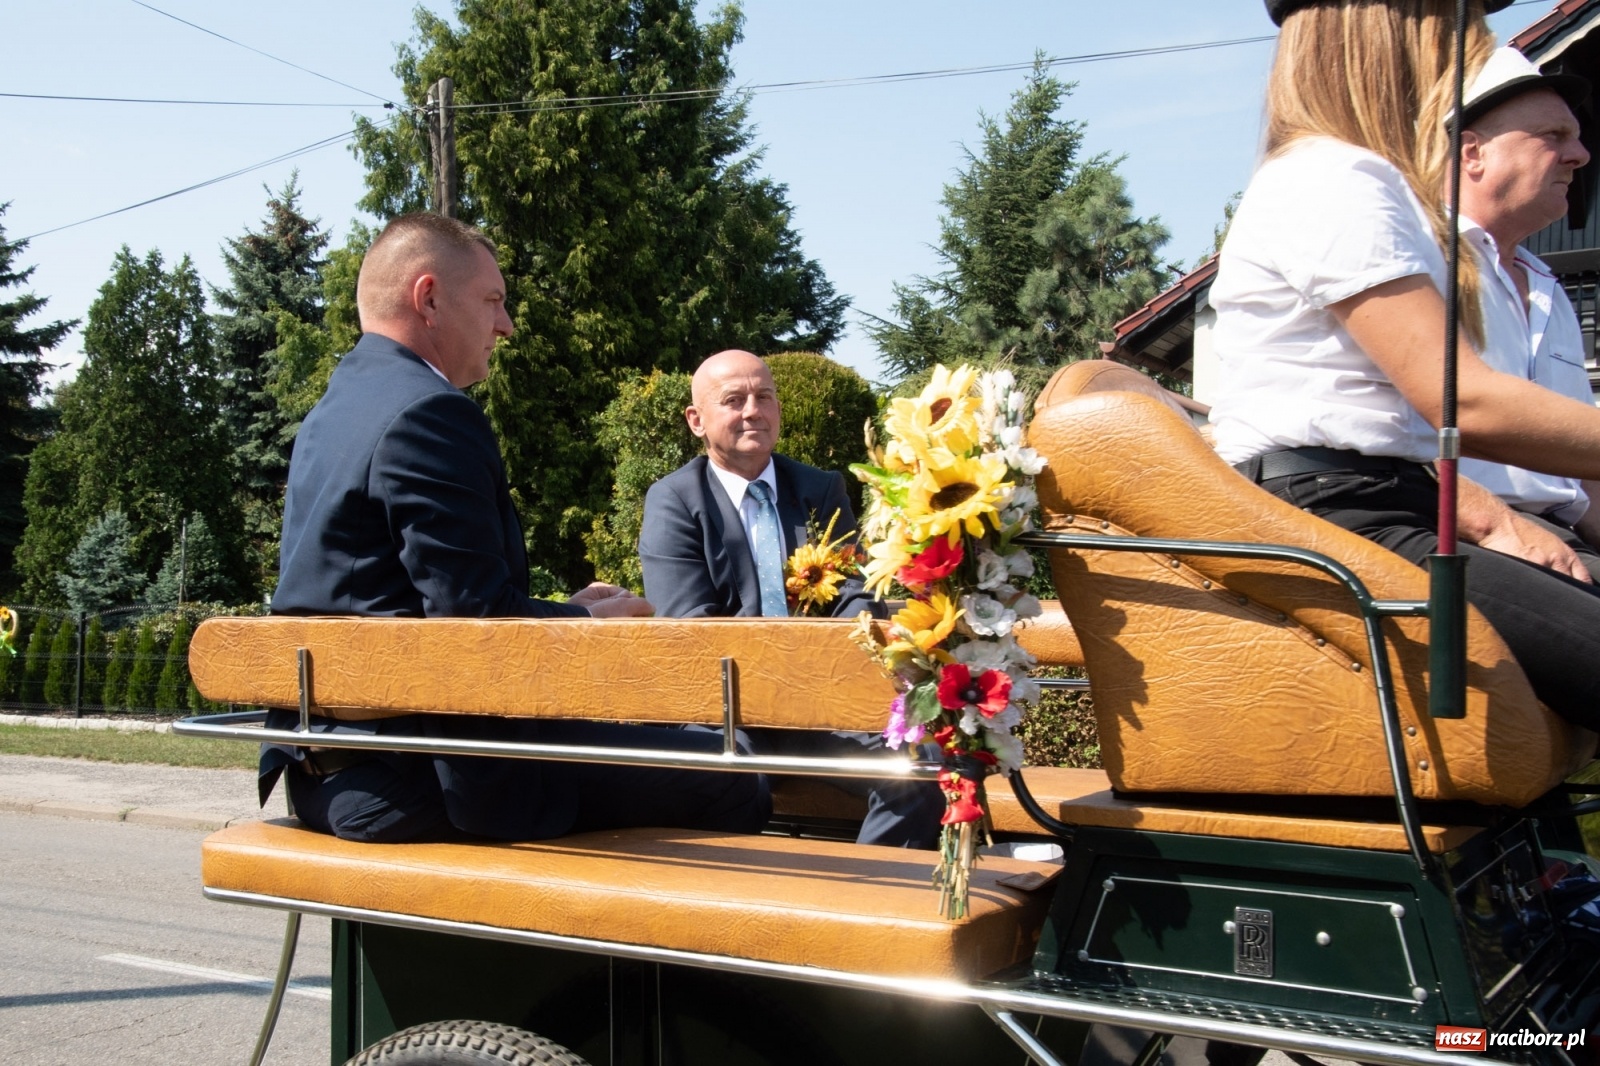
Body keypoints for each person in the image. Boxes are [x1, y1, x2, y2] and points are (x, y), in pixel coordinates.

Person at [263, 212, 769, 843]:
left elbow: (416, 605)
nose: (505, 324)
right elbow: (476, 627)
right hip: (420, 778)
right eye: (493, 301)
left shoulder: (335, 409)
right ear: (429, 299)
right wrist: (589, 622)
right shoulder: (430, 414)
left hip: (328, 768)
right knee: (733, 771)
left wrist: (563, 609)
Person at [1208, 0, 1600, 731]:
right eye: (1450, 27)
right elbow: (1465, 404)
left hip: (1394, 504)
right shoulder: (1332, 177)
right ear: (1386, 37)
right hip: (1351, 520)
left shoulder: (1368, 183)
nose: (1467, 51)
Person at [639, 349, 944, 848]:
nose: (752, 410)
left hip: (821, 708)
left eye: (764, 397)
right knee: (726, 787)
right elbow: (692, 627)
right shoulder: (675, 500)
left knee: (917, 766)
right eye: (733, 400)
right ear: (697, 420)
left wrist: (828, 674)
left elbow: (855, 594)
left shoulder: (820, 489)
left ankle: (863, 908)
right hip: (729, 713)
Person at [1452, 47, 1600, 580]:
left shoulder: (1548, 286)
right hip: (1466, 534)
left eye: (1577, 137)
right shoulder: (1416, 261)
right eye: (1554, 136)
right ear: (1473, 153)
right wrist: (1496, 524)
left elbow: (1586, 482)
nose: (1580, 154)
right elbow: (1385, 436)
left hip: (1557, 537)